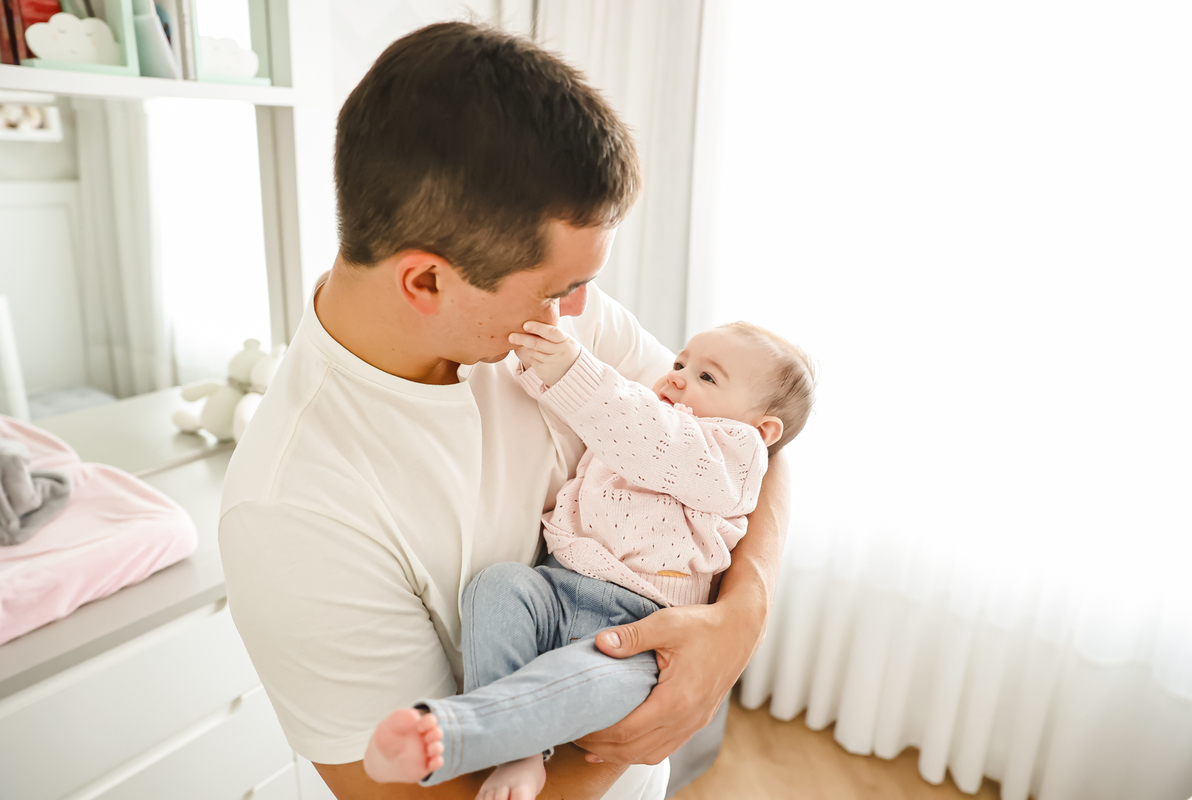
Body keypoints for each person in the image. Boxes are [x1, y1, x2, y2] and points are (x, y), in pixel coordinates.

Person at [218, 21, 791, 800]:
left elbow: (747, 447)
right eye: (560, 289)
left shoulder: (550, 325)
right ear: (426, 282)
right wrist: (671, 696)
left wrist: (741, 619)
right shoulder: (294, 511)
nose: (581, 308)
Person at [362, 320, 815, 800]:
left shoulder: (733, 457)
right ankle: (520, 753)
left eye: (707, 377)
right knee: (497, 587)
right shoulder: (648, 412)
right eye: (680, 363)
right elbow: (599, 417)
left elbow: (647, 434)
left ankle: (459, 732)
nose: (677, 376)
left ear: (762, 430)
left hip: (640, 628)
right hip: (557, 587)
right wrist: (541, 367)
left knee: (591, 681)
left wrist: (571, 370)